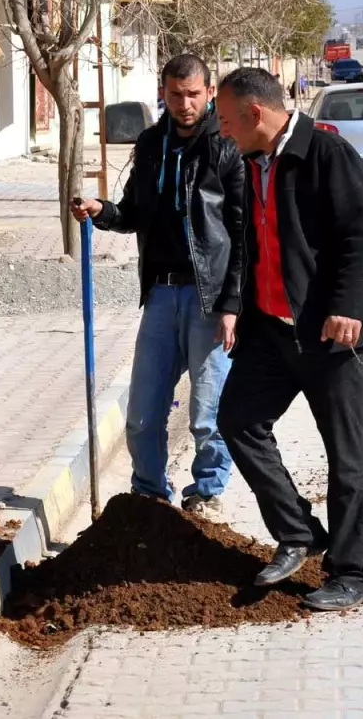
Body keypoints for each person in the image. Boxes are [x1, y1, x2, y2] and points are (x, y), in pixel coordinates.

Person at [213, 67, 363, 611]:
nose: (222, 131)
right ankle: (299, 531)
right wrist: (235, 306)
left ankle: (353, 572)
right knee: (238, 419)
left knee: (347, 456)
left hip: (335, 338)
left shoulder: (327, 156)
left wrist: (347, 308)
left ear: (255, 113)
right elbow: (249, 244)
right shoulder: (249, 163)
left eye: (225, 120)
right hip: (272, 332)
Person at [72, 53, 245, 518]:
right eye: (175, 94)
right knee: (143, 414)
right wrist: (100, 210)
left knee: (207, 415)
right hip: (161, 295)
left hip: (209, 299)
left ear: (209, 93)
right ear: (163, 95)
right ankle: (149, 496)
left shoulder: (226, 147)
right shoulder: (150, 144)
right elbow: (133, 213)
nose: (185, 104)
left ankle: (206, 494)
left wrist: (231, 302)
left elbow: (242, 232)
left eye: (193, 94)